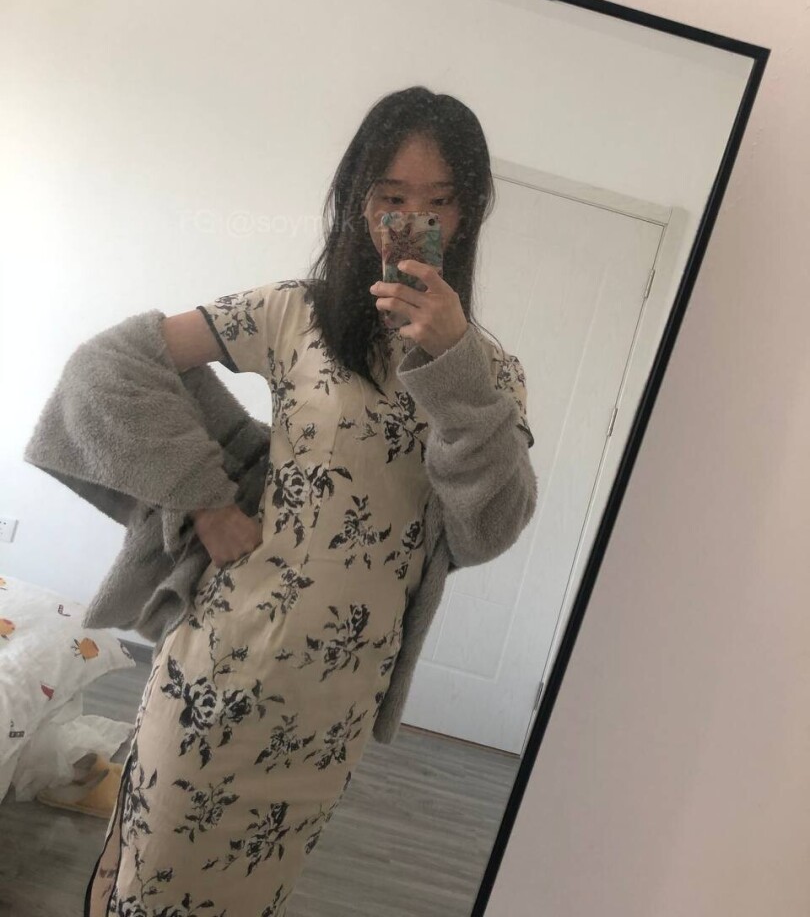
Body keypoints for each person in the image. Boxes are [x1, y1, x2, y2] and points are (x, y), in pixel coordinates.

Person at [85, 86, 534, 916]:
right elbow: (113, 363)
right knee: (148, 885)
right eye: (391, 198)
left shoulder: (493, 373)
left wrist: (454, 368)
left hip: (332, 707)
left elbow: (489, 529)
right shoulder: (292, 313)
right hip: (218, 662)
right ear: (358, 202)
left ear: (468, 216)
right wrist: (202, 500)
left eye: (439, 202)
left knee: (249, 896)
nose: (411, 222)